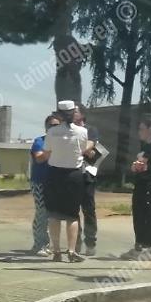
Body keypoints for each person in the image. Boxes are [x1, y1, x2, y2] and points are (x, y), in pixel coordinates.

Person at [40, 100, 94, 262]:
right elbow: (84, 150)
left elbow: (47, 152)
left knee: (54, 215)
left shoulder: (51, 132)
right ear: (73, 113)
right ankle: (71, 251)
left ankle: (56, 251)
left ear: (59, 115)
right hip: (74, 175)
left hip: (54, 174)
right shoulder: (82, 132)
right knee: (72, 215)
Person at [121, 116, 151, 260]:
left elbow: (139, 165)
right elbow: (137, 165)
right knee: (138, 215)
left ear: (150, 129)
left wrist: (137, 165)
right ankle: (139, 246)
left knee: (147, 215)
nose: (139, 132)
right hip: (141, 185)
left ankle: (150, 248)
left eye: (142, 129)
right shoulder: (146, 146)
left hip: (148, 186)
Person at [28, 114, 62, 256]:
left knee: (53, 215)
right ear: (46, 127)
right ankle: (40, 244)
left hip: (56, 182)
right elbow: (40, 158)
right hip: (40, 182)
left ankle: (51, 245)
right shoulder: (39, 141)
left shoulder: (62, 142)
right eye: (51, 125)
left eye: (57, 125)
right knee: (42, 212)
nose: (54, 128)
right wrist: (54, 149)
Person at [73, 104, 102, 256]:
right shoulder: (69, 129)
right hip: (72, 173)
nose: (73, 113)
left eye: (76, 111)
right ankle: (75, 242)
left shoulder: (91, 130)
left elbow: (93, 148)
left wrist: (79, 148)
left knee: (89, 209)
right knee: (73, 210)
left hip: (88, 174)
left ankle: (90, 242)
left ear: (83, 114)